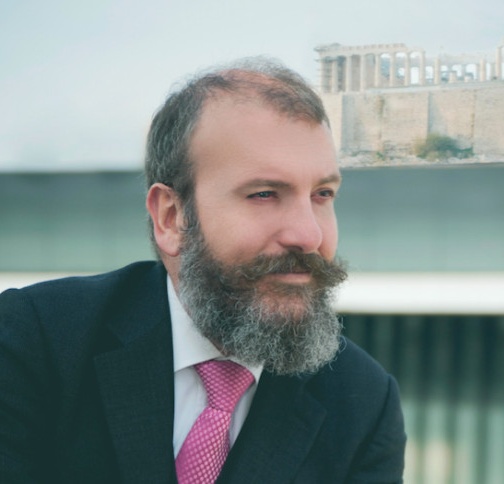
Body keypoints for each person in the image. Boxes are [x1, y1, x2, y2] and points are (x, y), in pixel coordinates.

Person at [0, 58, 406, 483]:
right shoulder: (37, 342)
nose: (309, 235)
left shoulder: (363, 403)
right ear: (172, 217)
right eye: (264, 194)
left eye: (322, 194)